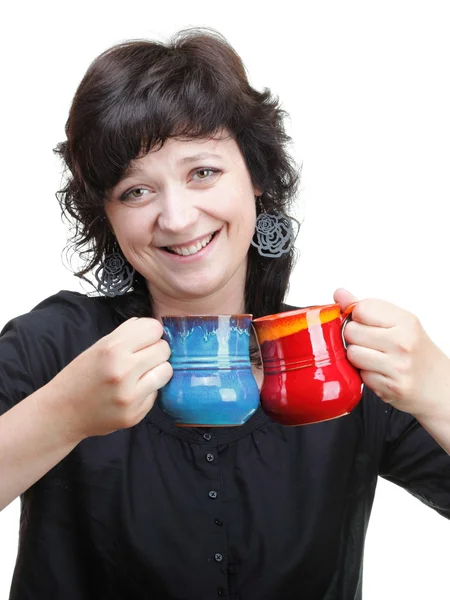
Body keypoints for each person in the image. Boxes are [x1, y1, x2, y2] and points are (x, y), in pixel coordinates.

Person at [0, 27, 449, 600]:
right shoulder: (57, 344)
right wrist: (62, 415)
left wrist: (439, 387)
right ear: (107, 217)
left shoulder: (338, 356)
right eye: (136, 191)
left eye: (202, 172)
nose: (179, 217)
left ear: (257, 176)